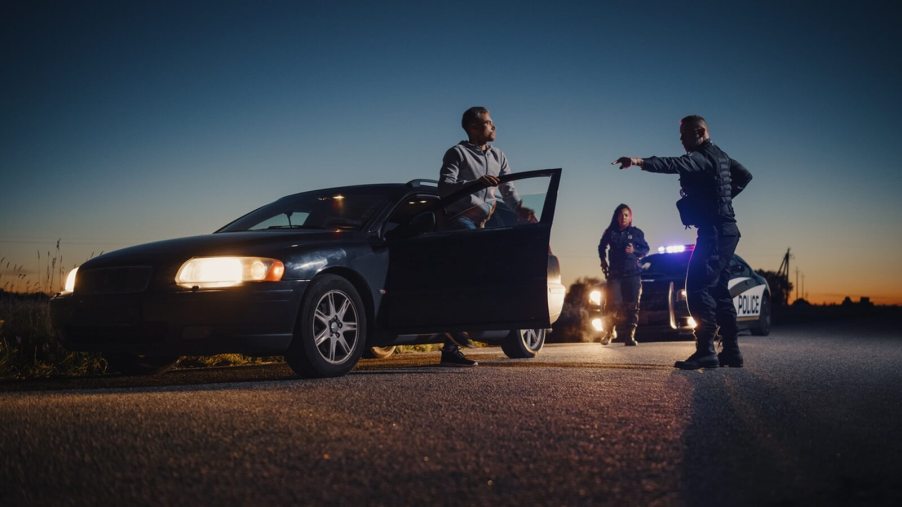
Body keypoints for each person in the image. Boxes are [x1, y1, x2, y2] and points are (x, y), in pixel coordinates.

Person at [614, 115, 752, 369]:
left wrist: (638, 161)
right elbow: (745, 175)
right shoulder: (721, 156)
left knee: (697, 287)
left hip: (714, 232)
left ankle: (706, 351)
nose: (681, 140)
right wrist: (723, 197)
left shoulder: (700, 157)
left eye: (685, 135)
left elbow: (673, 164)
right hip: (727, 230)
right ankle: (731, 351)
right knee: (719, 291)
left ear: (700, 132)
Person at [436, 106, 532, 367]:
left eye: (492, 123)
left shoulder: (499, 155)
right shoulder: (457, 153)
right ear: (473, 128)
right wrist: (475, 184)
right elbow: (444, 187)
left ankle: (451, 345)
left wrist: (521, 208)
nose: (494, 127)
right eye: (489, 123)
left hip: (482, 224)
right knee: (476, 267)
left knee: (481, 274)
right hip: (459, 221)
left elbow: (508, 189)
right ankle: (456, 327)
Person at [597, 204, 649, 346]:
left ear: (630, 217)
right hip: (615, 275)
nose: (623, 218)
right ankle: (608, 333)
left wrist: (634, 250)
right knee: (611, 304)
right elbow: (601, 246)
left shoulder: (636, 232)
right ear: (616, 217)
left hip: (633, 274)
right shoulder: (610, 232)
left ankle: (630, 336)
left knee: (632, 306)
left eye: (626, 215)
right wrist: (603, 260)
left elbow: (645, 249)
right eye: (620, 215)